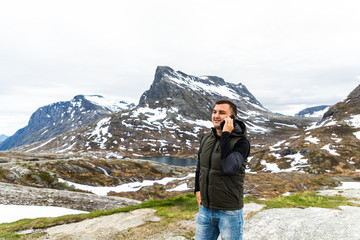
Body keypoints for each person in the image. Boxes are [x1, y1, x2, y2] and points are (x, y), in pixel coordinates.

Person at [194, 99, 250, 240]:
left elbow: (229, 168)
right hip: (206, 210)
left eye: (222, 113)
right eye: (214, 112)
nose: (216, 116)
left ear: (233, 118)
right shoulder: (207, 138)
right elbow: (200, 166)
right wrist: (197, 189)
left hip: (229, 212)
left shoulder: (242, 143)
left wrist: (226, 134)